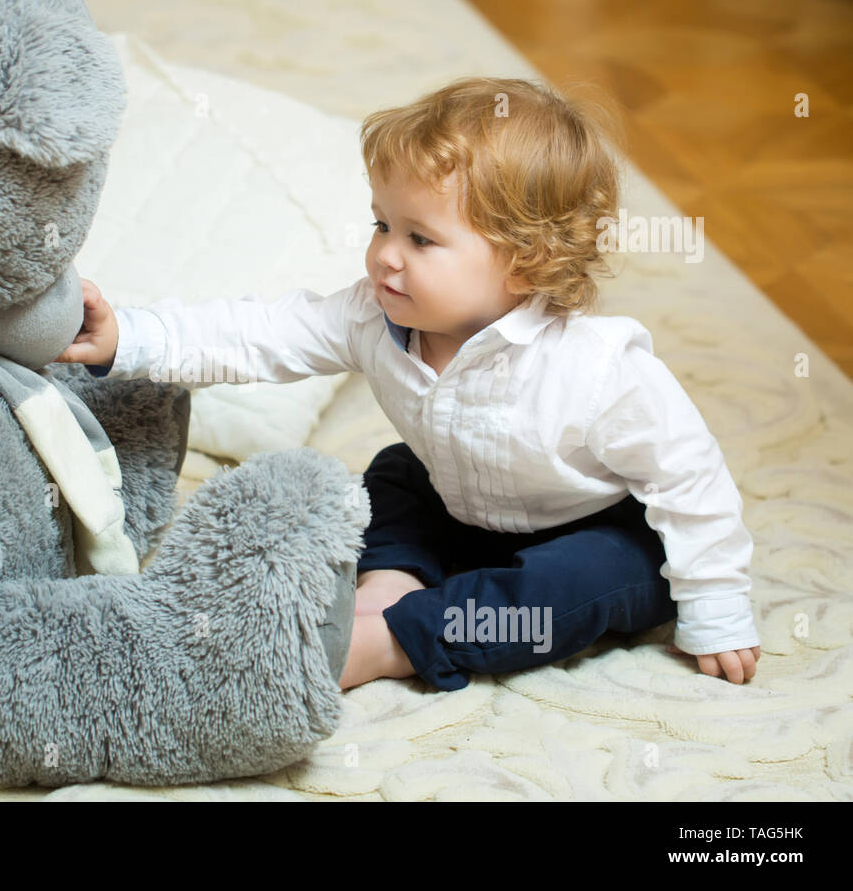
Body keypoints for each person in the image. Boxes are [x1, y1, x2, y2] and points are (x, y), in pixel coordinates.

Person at [53, 77, 762, 692]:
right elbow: (262, 333)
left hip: (594, 528)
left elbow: (690, 480)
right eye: (381, 223)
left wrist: (718, 607)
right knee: (393, 474)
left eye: (420, 239)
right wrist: (131, 337)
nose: (385, 256)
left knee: (585, 584)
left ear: (524, 263)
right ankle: (390, 582)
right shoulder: (372, 314)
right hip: (463, 504)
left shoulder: (599, 368)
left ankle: (391, 642)